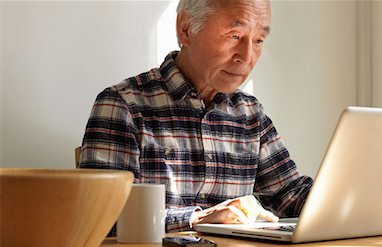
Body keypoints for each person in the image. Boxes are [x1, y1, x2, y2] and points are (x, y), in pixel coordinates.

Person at [80, 0, 313, 234]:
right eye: (234, 36)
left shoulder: (250, 114)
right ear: (186, 29)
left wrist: (343, 196)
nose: (246, 56)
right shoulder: (123, 105)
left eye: (259, 40)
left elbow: (289, 197)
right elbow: (99, 218)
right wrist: (195, 219)